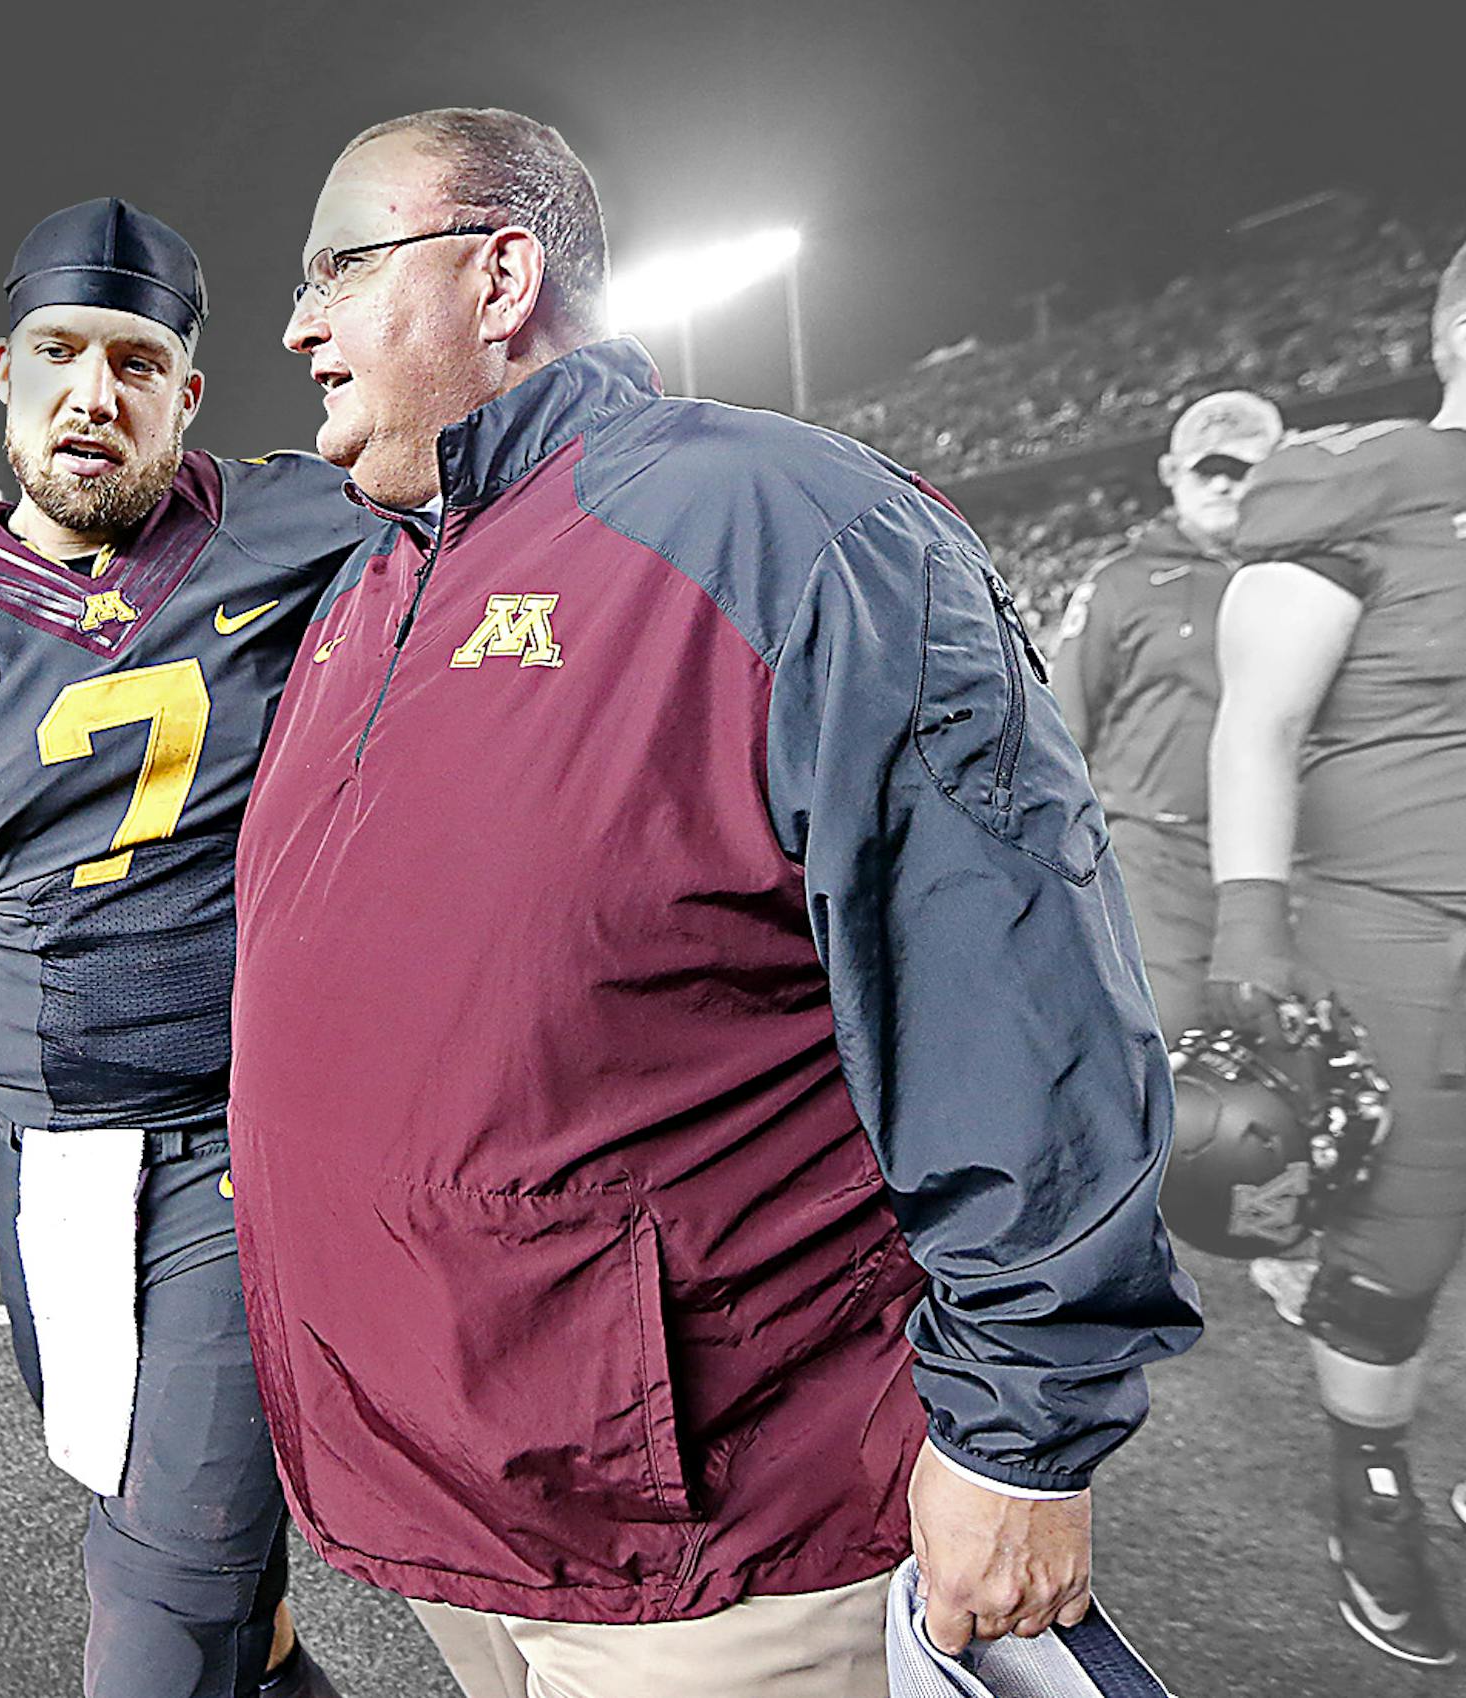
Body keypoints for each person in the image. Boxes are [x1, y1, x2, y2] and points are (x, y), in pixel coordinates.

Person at [232, 108, 1202, 1698]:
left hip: (708, 1532)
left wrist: (1024, 1436)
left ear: (499, 273)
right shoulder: (372, 581)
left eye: (341, 263)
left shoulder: (786, 525)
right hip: (460, 1493)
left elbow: (1010, 993)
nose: (298, 321)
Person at [0, 198, 374, 1698]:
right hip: (52, 1167)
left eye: (136, 359)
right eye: (59, 352)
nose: (94, 389)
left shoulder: (313, 517)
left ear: (188, 393)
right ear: (4, 371)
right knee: (224, 1585)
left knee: (157, 1604)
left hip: (249, 1141)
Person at [1207, 240, 1466, 1669]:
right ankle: (1370, 1483)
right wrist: (1253, 915)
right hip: (1409, 933)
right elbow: (1261, 718)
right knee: (1398, 1244)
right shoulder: (1368, 482)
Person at [1050, 391, 1285, 1044]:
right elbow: (1060, 733)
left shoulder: (1310, 577)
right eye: (1207, 467)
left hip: (1285, 858)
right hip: (1156, 859)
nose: (1221, 482)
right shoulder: (1121, 584)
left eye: (1242, 468)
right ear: (1172, 474)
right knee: (1170, 1054)